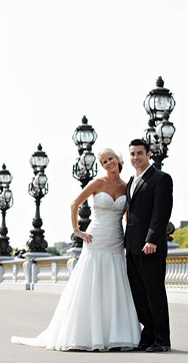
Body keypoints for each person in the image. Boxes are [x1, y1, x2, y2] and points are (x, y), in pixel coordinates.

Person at [11, 148, 141, 351]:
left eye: (110, 159)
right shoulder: (98, 183)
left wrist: (129, 238)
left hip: (115, 239)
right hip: (96, 237)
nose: (108, 163)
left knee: (114, 282)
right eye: (104, 161)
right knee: (90, 282)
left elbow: (128, 216)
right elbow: (74, 204)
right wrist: (77, 231)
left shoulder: (127, 186)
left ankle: (114, 334)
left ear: (117, 159)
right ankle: (83, 334)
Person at [125, 139, 173, 353]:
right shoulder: (130, 181)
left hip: (150, 247)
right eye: (132, 154)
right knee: (138, 294)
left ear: (149, 154)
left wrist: (152, 239)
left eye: (139, 153)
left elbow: (161, 212)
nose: (135, 158)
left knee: (154, 293)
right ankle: (149, 335)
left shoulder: (161, 179)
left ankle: (162, 340)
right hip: (132, 247)